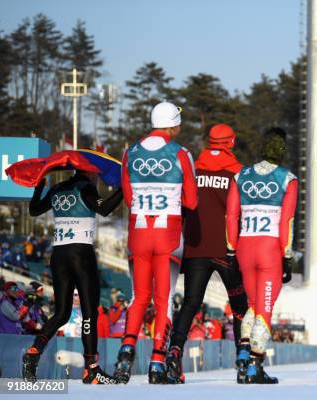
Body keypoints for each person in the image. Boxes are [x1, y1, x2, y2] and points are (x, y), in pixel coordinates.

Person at [114, 101, 197, 384]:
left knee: (139, 298)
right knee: (163, 301)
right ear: (173, 123)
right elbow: (192, 201)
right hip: (168, 235)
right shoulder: (181, 153)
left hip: (138, 232)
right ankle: (157, 362)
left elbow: (127, 198)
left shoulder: (130, 152)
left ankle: (126, 353)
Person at [165, 123, 248, 384]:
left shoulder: (192, 167)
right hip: (228, 250)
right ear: (230, 142)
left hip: (196, 247)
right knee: (239, 308)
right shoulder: (238, 173)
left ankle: (174, 351)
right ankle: (244, 359)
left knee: (190, 303)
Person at [22, 172, 123, 384]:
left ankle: (33, 351)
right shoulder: (85, 187)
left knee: (60, 313)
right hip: (81, 254)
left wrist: (39, 187)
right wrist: (124, 187)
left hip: (58, 255)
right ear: (88, 173)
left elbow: (34, 210)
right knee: (89, 314)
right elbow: (104, 209)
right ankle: (91, 370)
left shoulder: (57, 188)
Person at [226, 127, 298, 384]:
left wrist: (231, 250)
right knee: (265, 310)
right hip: (269, 251)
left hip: (244, 247)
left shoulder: (240, 175)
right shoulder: (287, 179)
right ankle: (255, 367)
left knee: (254, 306)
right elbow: (286, 222)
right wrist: (287, 256)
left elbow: (231, 216)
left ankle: (244, 357)